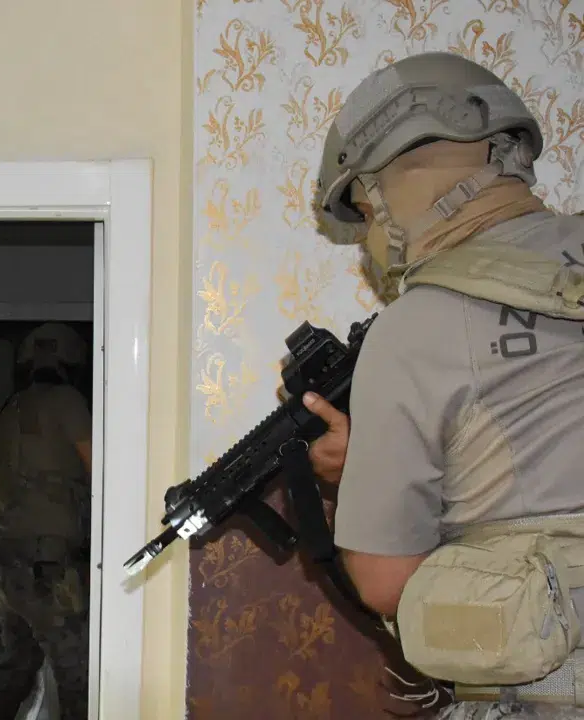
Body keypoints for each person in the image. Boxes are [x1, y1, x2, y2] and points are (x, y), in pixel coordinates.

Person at [309, 51, 584, 718]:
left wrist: (354, 473)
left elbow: (385, 584)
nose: (371, 238)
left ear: (389, 192)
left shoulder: (413, 330)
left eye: (366, 214)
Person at [0, 322, 93, 720]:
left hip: (4, 558)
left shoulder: (9, 409)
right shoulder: (67, 401)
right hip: (46, 562)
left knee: (20, 659)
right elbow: (100, 468)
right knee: (76, 668)